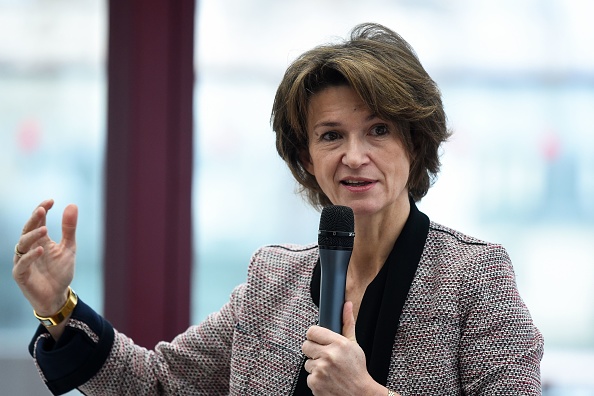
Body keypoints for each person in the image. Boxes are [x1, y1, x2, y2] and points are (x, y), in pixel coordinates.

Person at [12, 23, 543, 395]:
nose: (354, 156)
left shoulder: (477, 278)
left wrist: (365, 395)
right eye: (331, 135)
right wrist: (59, 308)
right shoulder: (272, 280)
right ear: (306, 158)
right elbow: (156, 384)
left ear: (416, 143)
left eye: (378, 131)